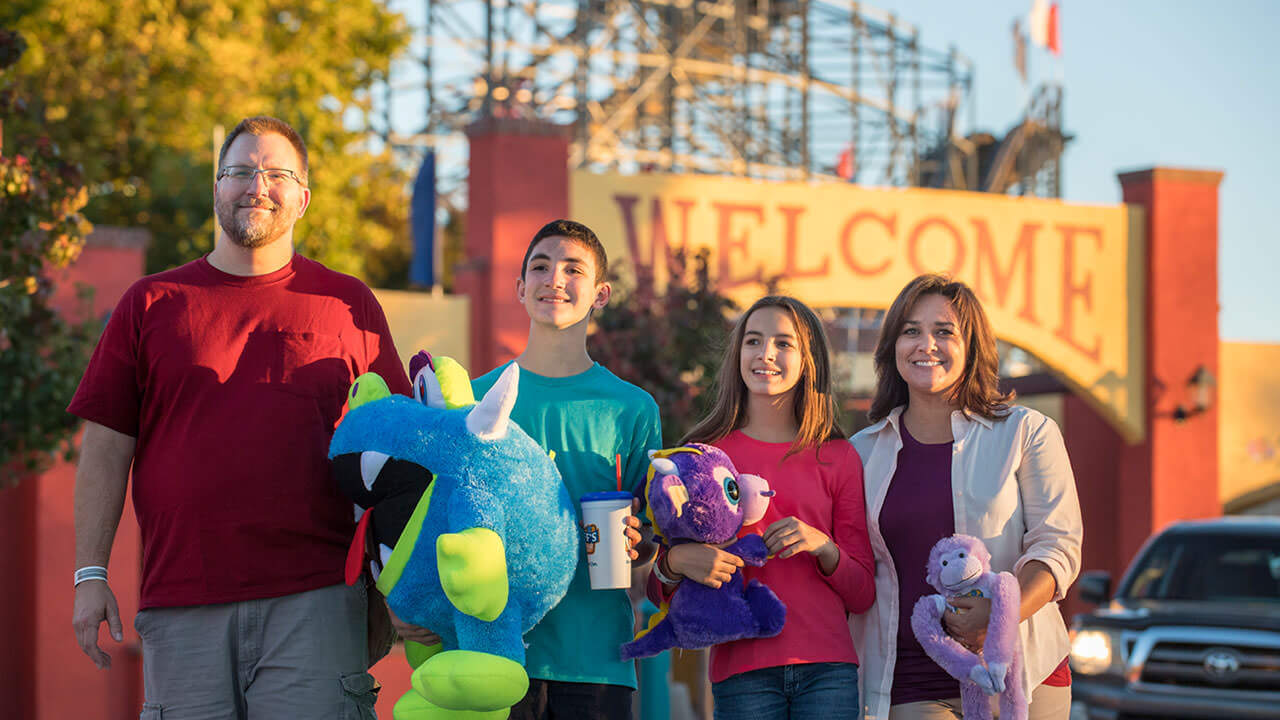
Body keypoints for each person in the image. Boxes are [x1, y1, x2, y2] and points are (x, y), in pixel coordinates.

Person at [68, 116, 413, 719]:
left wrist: (408, 584)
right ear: (216, 189)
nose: (257, 185)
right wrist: (89, 574)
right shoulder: (150, 304)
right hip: (182, 601)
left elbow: (400, 449)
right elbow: (105, 446)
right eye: (240, 171)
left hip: (318, 598)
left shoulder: (348, 304)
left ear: (303, 197)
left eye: (277, 174)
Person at [850, 274, 1083, 720]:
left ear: (972, 346)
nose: (926, 345)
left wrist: (997, 615)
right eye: (911, 331)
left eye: (944, 331)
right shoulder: (862, 451)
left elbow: (1057, 546)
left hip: (1022, 672)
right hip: (911, 676)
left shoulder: (1027, 432)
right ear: (892, 346)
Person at [650, 295, 876, 719]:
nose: (765, 354)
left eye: (784, 344)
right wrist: (679, 559)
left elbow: (863, 592)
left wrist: (823, 546)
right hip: (741, 673)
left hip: (828, 671)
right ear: (738, 353)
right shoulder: (705, 454)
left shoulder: (839, 457)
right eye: (753, 340)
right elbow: (657, 585)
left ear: (809, 360)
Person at [470, 219, 662, 720]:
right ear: (520, 288)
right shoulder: (476, 399)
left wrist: (642, 541)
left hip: (597, 662)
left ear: (600, 294)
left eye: (572, 269)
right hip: (493, 656)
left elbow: (651, 541)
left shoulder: (632, 409)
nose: (554, 278)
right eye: (540, 266)